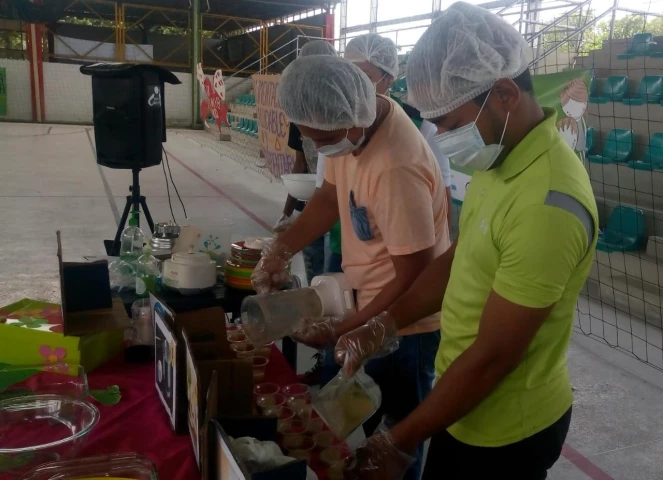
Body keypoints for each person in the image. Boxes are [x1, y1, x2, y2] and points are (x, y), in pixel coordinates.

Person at [336, 3, 599, 479]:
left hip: (507, 427)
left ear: (503, 94)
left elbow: (493, 358)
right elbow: (458, 260)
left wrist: (400, 438)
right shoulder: (502, 159)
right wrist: (382, 324)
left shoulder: (547, 204)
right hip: (462, 400)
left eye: (453, 124)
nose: (442, 138)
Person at [251, 54, 450, 480]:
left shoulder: (396, 166)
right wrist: (281, 249)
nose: (321, 150)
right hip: (366, 306)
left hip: (404, 327)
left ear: (348, 119)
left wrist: (352, 329)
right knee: (336, 421)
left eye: (322, 141)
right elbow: (327, 197)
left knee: (393, 443)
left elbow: (415, 275)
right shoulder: (353, 127)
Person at [273, 40, 340, 386]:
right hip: (314, 205)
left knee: (337, 290)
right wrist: (288, 220)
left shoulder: (351, 124)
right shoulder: (301, 110)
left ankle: (337, 361)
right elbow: (306, 173)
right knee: (318, 287)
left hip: (344, 222)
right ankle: (327, 363)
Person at [345, 33, 454, 234]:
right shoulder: (338, 122)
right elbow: (325, 189)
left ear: (389, 79)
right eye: (350, 75)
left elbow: (442, 186)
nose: (355, 85)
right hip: (347, 238)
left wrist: (444, 251)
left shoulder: (421, 125)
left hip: (406, 237)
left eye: (366, 77)